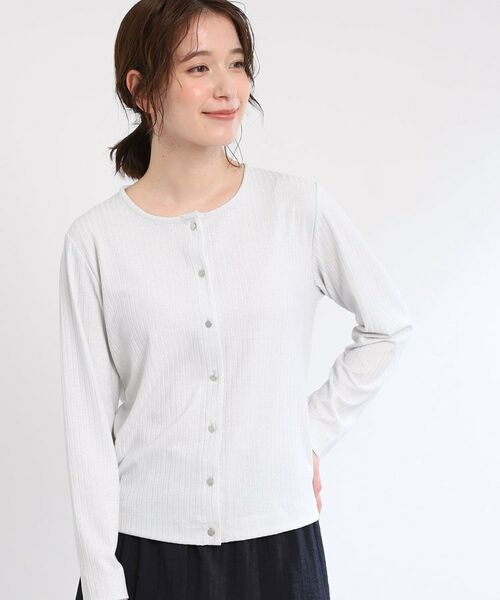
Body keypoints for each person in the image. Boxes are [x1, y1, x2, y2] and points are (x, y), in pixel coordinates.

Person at [58, 1, 414, 599]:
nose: (228, 88)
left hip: (280, 544)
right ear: (141, 89)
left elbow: (388, 325)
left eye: (238, 64)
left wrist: (309, 434)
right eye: (199, 68)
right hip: (145, 549)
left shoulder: (297, 208)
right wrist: (100, 580)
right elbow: (87, 430)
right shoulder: (96, 241)